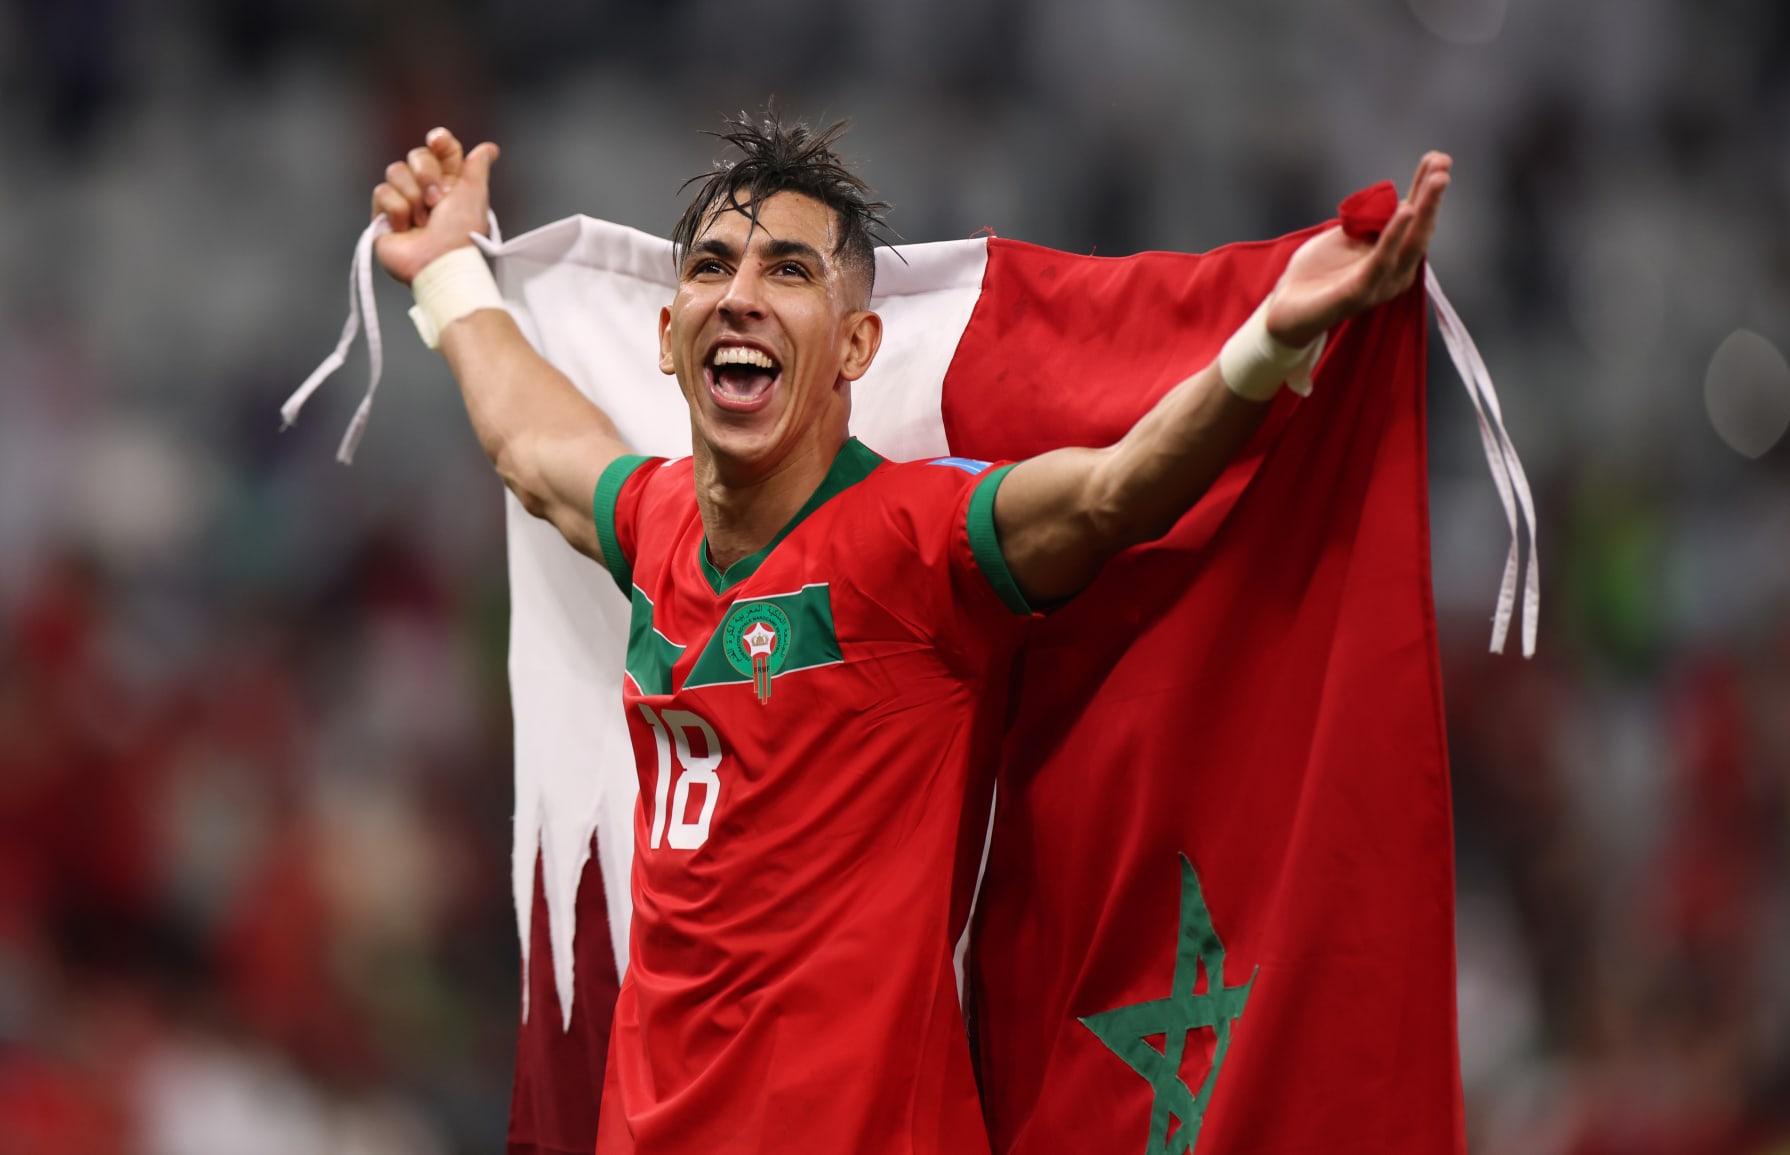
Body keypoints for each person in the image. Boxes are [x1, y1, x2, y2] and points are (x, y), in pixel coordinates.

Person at [370, 111, 1450, 1155]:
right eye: (712, 267)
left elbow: (1114, 493)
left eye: (789, 271)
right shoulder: (654, 529)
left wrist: (1268, 339)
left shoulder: (910, 542)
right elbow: (528, 442)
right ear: (667, 332)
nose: (740, 295)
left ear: (856, 346)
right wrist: (448, 269)